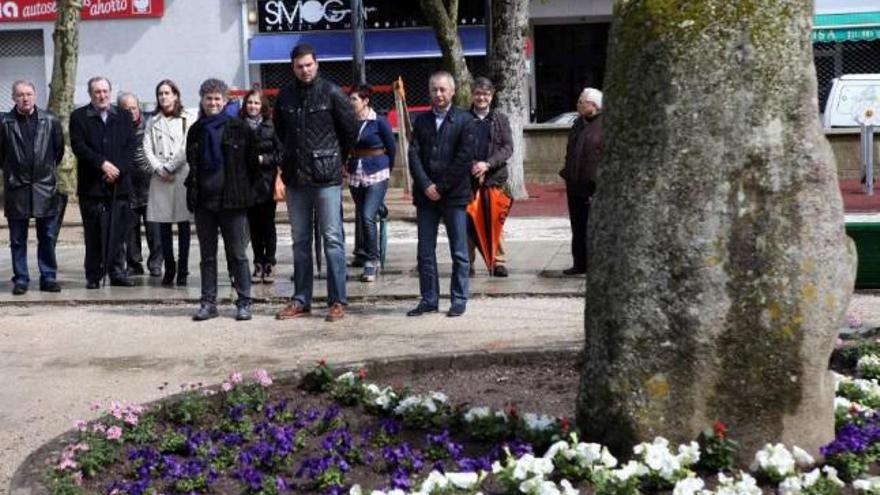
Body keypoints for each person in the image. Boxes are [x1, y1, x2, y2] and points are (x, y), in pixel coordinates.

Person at [273, 43, 357, 322]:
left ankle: (337, 300)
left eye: (308, 64)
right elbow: (279, 135)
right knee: (299, 241)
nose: (305, 70)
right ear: (292, 68)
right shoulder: (284, 97)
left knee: (333, 239)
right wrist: (283, 165)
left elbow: (350, 132)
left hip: (326, 178)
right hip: (295, 178)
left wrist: (335, 160)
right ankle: (301, 299)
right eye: (299, 66)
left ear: (316, 64)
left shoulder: (332, 93)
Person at [185, 78, 261, 321]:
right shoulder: (196, 130)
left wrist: (243, 191)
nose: (213, 103)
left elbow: (252, 164)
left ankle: (244, 301)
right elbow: (191, 161)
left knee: (237, 253)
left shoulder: (239, 128)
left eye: (218, 98)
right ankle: (208, 302)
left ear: (226, 100)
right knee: (207, 256)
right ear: (202, 100)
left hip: (232, 201)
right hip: (204, 202)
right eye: (209, 98)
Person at [406, 71, 476, 318]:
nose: (438, 94)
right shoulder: (421, 121)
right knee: (425, 251)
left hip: (454, 195)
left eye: (443, 89)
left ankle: (458, 298)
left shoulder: (465, 120)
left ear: (453, 91)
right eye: (434, 89)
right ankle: (429, 298)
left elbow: (464, 158)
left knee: (459, 250)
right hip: (426, 197)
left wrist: (441, 187)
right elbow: (413, 154)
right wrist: (426, 185)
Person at [70, 76, 136, 289]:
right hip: (92, 186)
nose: (102, 95)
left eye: (105, 91)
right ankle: (94, 274)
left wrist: (117, 169)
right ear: (90, 94)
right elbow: (79, 146)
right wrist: (102, 165)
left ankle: (117, 271)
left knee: (118, 231)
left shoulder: (124, 116)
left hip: (119, 184)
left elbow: (130, 147)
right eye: (97, 91)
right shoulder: (79, 117)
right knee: (94, 232)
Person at [0, 81, 64, 294]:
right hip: (16, 187)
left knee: (46, 235)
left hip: (44, 186)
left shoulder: (50, 120)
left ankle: (48, 276)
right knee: (18, 238)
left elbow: (58, 152)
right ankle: (21, 278)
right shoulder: (4, 122)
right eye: (20, 95)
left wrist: (43, 172)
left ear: (35, 96)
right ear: (13, 97)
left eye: (28, 94)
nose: (25, 98)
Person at [143, 79, 196, 286]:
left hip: (180, 174)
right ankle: (169, 267)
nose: (164, 97)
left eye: (167, 93)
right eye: (160, 93)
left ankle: (183, 268)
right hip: (160, 178)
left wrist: (169, 167)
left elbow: (185, 146)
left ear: (175, 95)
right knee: (163, 225)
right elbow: (146, 148)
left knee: (183, 224)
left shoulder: (187, 118)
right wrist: (159, 168)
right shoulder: (152, 121)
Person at [347, 84, 396, 282]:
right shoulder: (349, 122)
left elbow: (392, 148)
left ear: (365, 101)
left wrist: (386, 170)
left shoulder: (379, 121)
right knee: (361, 214)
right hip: (355, 172)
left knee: (368, 216)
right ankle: (362, 253)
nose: (351, 103)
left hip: (377, 171)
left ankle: (372, 261)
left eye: (354, 100)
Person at [468, 77, 514, 277]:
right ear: (472, 94)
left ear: (492, 96)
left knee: (495, 220)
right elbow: (457, 147)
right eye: (478, 93)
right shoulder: (462, 118)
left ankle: (497, 261)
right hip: (469, 179)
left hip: (494, 177)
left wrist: (487, 165)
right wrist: (473, 166)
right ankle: (467, 263)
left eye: (486, 94)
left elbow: (507, 148)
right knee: (468, 221)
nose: (481, 97)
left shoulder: (501, 119)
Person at [117, 92, 163, 278]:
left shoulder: (150, 126)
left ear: (139, 107)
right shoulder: (117, 129)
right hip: (128, 186)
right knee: (130, 230)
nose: (131, 112)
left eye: (134, 108)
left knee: (155, 231)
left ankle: (156, 264)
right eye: (126, 109)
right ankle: (134, 264)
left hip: (150, 185)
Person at [559, 87, 603, 275]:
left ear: (593, 105)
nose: (577, 105)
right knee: (577, 227)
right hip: (575, 184)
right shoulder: (578, 123)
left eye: (581, 102)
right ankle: (579, 263)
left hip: (593, 187)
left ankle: (595, 264)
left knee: (593, 228)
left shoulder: (604, 124)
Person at [239, 88, 281, 284]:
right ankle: (257, 262)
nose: (252, 106)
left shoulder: (272, 126)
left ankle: (269, 262)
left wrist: (263, 158)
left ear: (262, 105)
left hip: (267, 182)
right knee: (253, 226)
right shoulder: (238, 126)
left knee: (268, 225)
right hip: (247, 183)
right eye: (249, 102)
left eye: (256, 103)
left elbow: (281, 154)